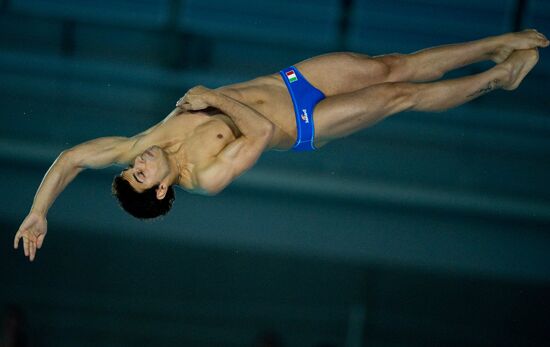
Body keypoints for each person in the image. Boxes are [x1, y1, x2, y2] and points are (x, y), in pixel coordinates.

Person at [13, 30, 548, 261]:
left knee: (394, 64)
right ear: (158, 194)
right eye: (140, 175)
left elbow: (71, 158)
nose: (141, 162)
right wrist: (214, 95)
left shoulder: (141, 140)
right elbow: (264, 133)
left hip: (289, 80)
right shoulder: (207, 179)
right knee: (400, 95)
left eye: (133, 167)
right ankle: (497, 78)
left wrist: (39, 211)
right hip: (308, 122)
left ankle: (494, 45)